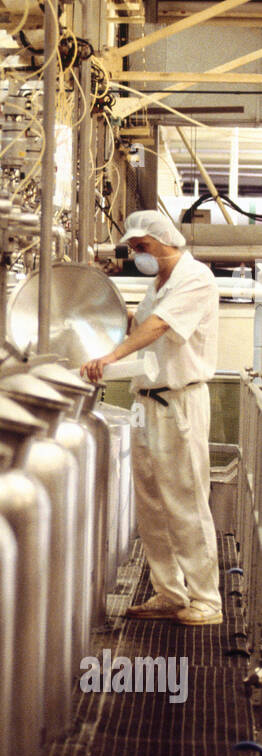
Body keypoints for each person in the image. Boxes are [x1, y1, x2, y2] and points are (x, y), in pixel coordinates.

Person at [81, 210, 222, 625]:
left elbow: (158, 327)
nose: (138, 253)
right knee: (152, 503)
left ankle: (206, 598)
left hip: (179, 403)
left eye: (143, 246)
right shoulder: (157, 284)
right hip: (145, 401)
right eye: (135, 247)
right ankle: (169, 593)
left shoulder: (195, 278)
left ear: (165, 241)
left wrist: (111, 356)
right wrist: (94, 304)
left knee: (185, 499)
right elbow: (139, 322)